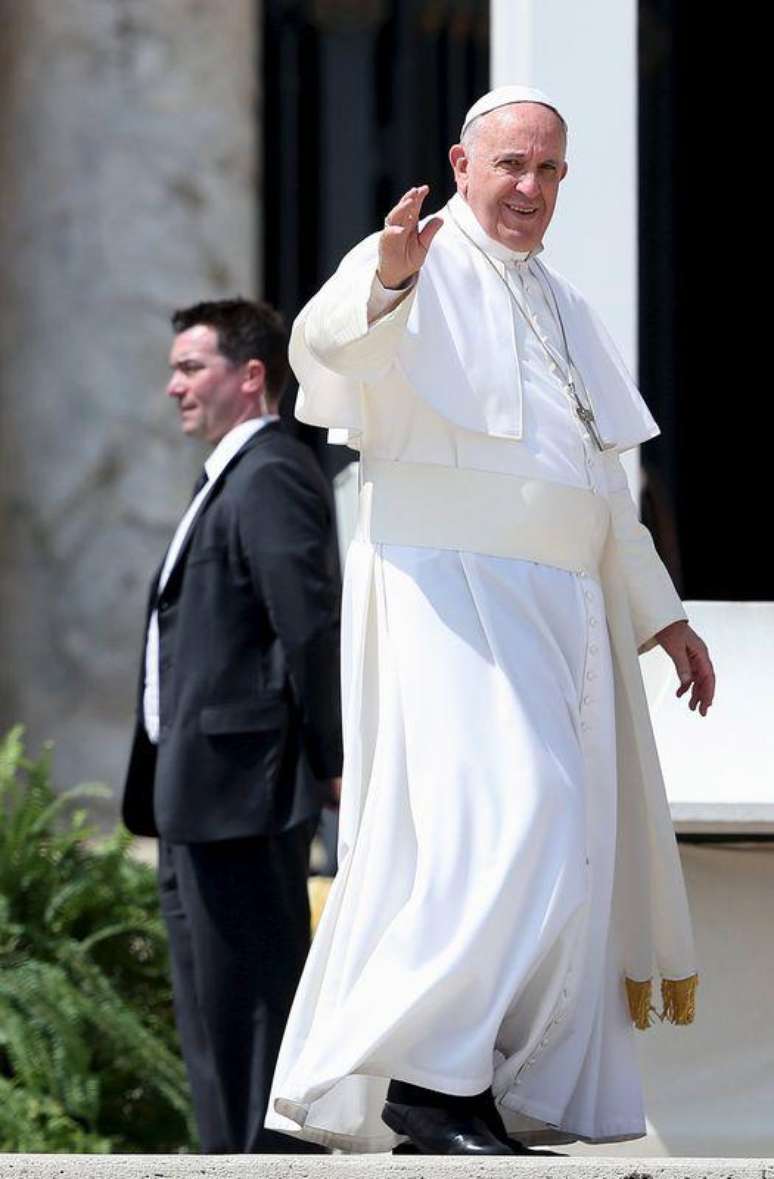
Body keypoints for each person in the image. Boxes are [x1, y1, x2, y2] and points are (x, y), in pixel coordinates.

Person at [264, 86, 716, 1156]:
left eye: (550, 171)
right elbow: (323, 349)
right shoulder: (411, 262)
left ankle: (483, 1081)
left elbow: (601, 482)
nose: (530, 188)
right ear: (462, 165)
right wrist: (384, 277)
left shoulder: (559, 300)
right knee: (517, 815)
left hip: (561, 606)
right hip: (452, 594)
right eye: (512, 165)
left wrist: (663, 615)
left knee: (564, 842)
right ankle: (425, 1077)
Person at [122, 298, 342, 1153]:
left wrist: (332, 755)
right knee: (213, 1023)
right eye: (174, 368)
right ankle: (228, 1164)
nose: (173, 386)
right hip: (194, 798)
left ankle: (265, 1167)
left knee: (254, 1015)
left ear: (252, 377)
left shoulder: (273, 472)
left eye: (190, 367)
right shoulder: (223, 478)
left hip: (244, 795)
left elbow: (309, 625)